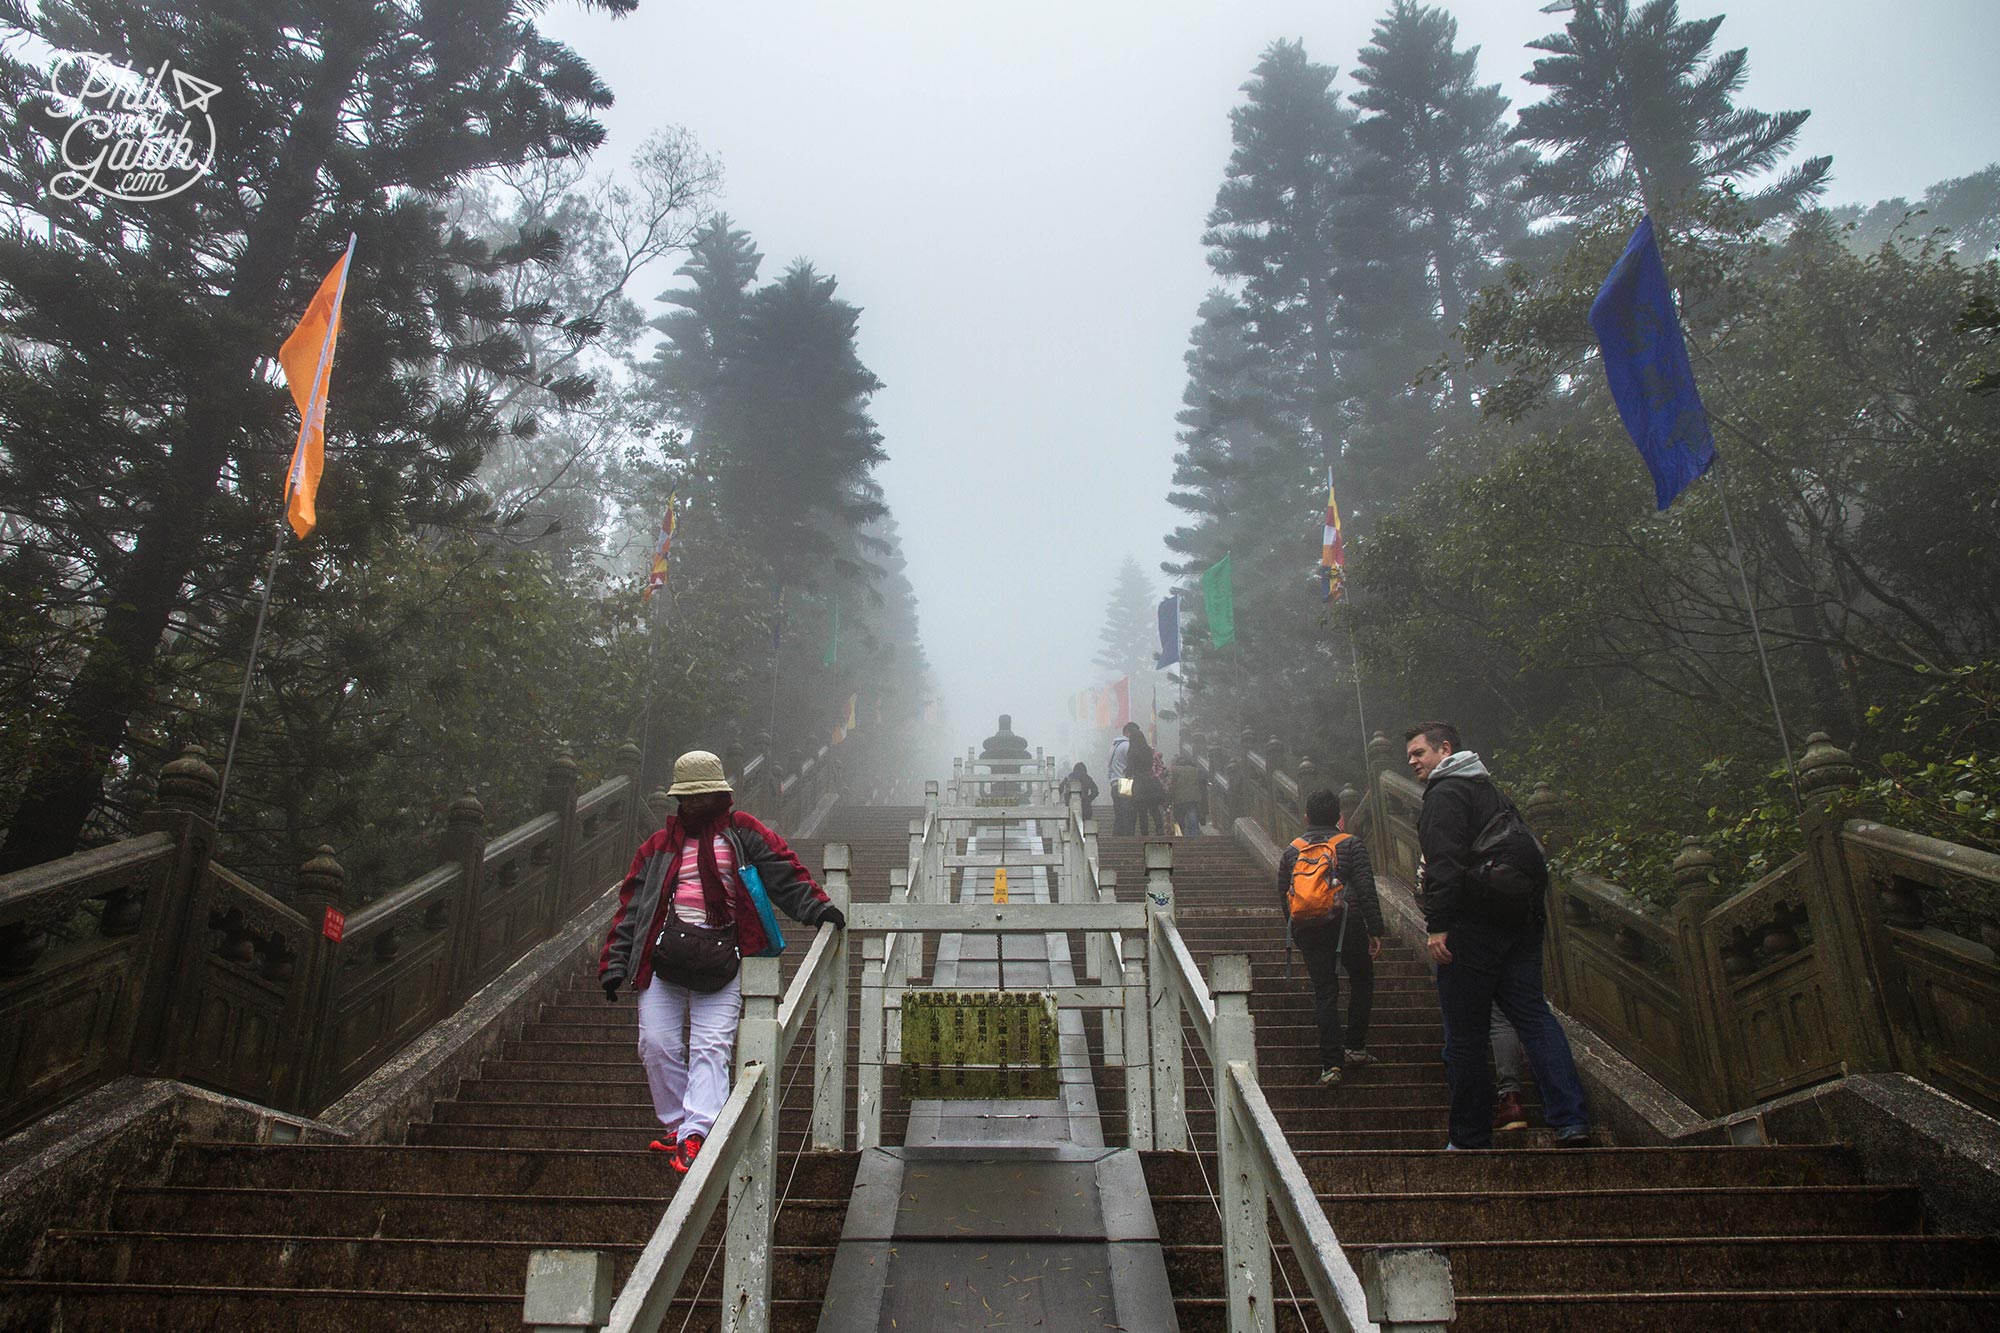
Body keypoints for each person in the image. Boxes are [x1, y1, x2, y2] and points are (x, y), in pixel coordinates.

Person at [599, 749, 846, 1173]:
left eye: (703, 795)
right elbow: (633, 909)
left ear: (719, 794)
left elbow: (784, 873)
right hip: (664, 958)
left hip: (723, 957)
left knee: (711, 1047)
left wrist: (818, 907)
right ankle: (679, 1126)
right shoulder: (658, 848)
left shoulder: (743, 834)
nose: (695, 804)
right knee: (655, 1044)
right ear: (679, 800)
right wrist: (615, 963)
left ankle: (698, 1132)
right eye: (688, 798)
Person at [1406, 721, 1590, 1149]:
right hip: (1519, 925)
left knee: (1464, 1035)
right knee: (1535, 1018)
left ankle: (1470, 1136)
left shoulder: (1445, 792)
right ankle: (1571, 1120)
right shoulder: (1491, 790)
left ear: (1444, 749)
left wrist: (1439, 925)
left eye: (1419, 753)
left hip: (1471, 929)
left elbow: (1443, 864)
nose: (1413, 762)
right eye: (1411, 757)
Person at [1278, 787, 1383, 1087]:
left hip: (1309, 927)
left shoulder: (1292, 850)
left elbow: (1284, 894)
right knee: (1362, 978)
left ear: (1306, 816)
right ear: (1340, 816)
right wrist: (1375, 930)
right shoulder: (1351, 844)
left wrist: (1296, 930)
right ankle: (1355, 1047)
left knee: (1325, 991)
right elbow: (1365, 889)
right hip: (1347, 923)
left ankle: (1331, 1065)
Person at [1126, 726, 1164, 836]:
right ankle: (1159, 828)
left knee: (1142, 811)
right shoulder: (1148, 750)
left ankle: (1145, 833)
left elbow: (1129, 769)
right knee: (1154, 808)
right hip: (1151, 781)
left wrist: (1127, 773)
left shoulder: (1132, 752)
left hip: (1139, 783)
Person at [1107, 726, 1135, 835]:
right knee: (1127, 814)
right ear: (1128, 732)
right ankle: (1127, 839)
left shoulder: (1113, 747)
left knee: (1118, 815)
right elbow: (1132, 763)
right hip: (1125, 783)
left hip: (1114, 783)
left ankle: (1117, 837)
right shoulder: (1127, 745)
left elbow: (1109, 767)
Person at [1169, 751, 1205, 835]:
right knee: (1192, 817)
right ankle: (1194, 837)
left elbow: (1171, 785)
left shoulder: (1174, 770)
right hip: (1193, 798)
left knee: (1179, 820)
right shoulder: (1195, 770)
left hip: (1179, 799)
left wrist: (1168, 800)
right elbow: (1203, 782)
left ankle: (1181, 835)